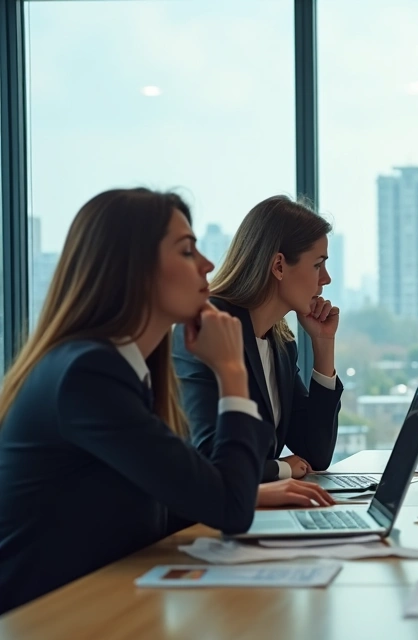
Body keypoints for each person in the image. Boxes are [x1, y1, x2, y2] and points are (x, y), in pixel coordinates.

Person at [0, 189, 272, 614]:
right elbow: (229, 511)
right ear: (134, 270)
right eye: (187, 251)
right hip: (49, 620)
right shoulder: (88, 375)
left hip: (95, 608)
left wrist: (247, 493)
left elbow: (167, 502)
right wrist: (232, 374)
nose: (208, 265)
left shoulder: (118, 368)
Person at [174, 196, 343, 501]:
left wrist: (323, 345)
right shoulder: (208, 328)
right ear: (279, 265)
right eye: (318, 264)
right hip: (200, 523)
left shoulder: (280, 344)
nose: (326, 279)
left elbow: (315, 453)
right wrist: (281, 469)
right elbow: (208, 459)